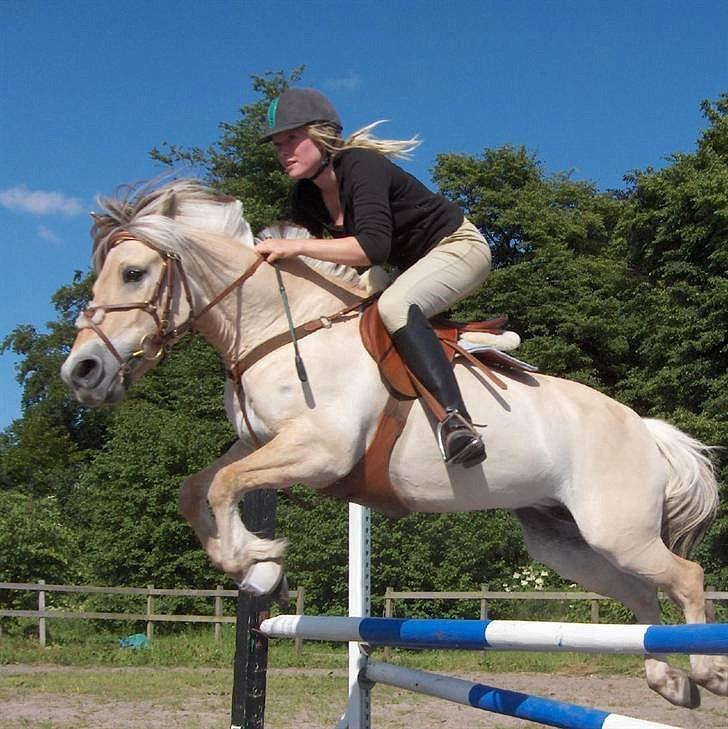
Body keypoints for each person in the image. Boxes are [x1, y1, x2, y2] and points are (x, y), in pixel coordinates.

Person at [256, 88, 491, 467]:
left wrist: (295, 248)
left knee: (396, 305)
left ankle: (456, 422)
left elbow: (371, 249)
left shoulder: (360, 165)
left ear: (321, 134)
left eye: (292, 139)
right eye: (277, 144)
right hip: (408, 267)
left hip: (458, 247)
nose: (283, 151)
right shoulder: (305, 196)